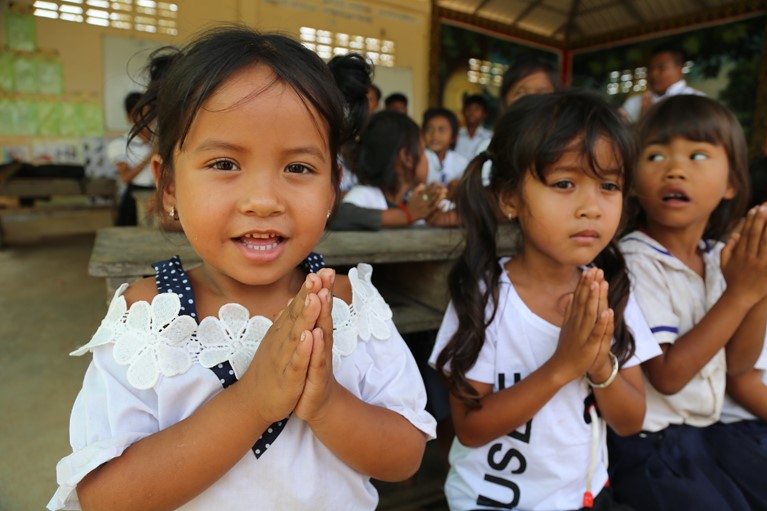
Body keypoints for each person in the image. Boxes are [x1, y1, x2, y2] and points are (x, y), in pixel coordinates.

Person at [48, 27, 436, 511]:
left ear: (333, 188)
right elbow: (105, 498)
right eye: (225, 163)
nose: (263, 200)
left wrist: (326, 404)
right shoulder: (148, 317)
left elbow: (404, 457)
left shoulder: (349, 304)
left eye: (298, 168)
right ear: (167, 185)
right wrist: (253, 400)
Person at [430, 90, 661, 511]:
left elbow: (630, 420)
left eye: (609, 185)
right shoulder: (487, 295)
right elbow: (470, 426)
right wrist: (561, 367)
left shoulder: (611, 295)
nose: (591, 206)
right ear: (510, 198)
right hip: (490, 501)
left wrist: (597, 363)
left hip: (583, 498)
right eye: (564, 183)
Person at [608, 94, 767, 510]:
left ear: (732, 183)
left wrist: (759, 290)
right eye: (656, 155)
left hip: (706, 434)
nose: (675, 168)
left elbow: (738, 364)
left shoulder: (718, 257)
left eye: (697, 155)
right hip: (652, 446)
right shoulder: (636, 260)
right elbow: (667, 376)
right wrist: (741, 294)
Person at [328, 110, 444, 230]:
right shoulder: (365, 195)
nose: (428, 159)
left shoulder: (411, 197)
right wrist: (406, 215)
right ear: (407, 157)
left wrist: (438, 215)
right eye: (423, 150)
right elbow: (339, 216)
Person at [620, 44, 705, 123]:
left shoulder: (697, 101)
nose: (653, 74)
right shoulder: (634, 103)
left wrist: (648, 119)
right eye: (650, 68)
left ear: (679, 69)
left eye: (661, 68)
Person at [106, 91, 155, 226]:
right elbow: (126, 177)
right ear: (129, 116)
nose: (145, 118)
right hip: (134, 196)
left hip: (157, 195)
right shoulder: (120, 144)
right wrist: (151, 155)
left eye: (149, 113)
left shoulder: (160, 140)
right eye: (139, 113)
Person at [422, 107, 469, 188]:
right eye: (429, 129)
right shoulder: (419, 159)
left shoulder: (461, 163)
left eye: (442, 130)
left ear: (453, 137)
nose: (435, 135)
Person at [454, 94, 492, 160]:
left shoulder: (489, 137)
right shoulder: (455, 135)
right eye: (469, 109)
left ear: (484, 114)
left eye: (477, 109)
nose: (472, 112)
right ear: (463, 112)